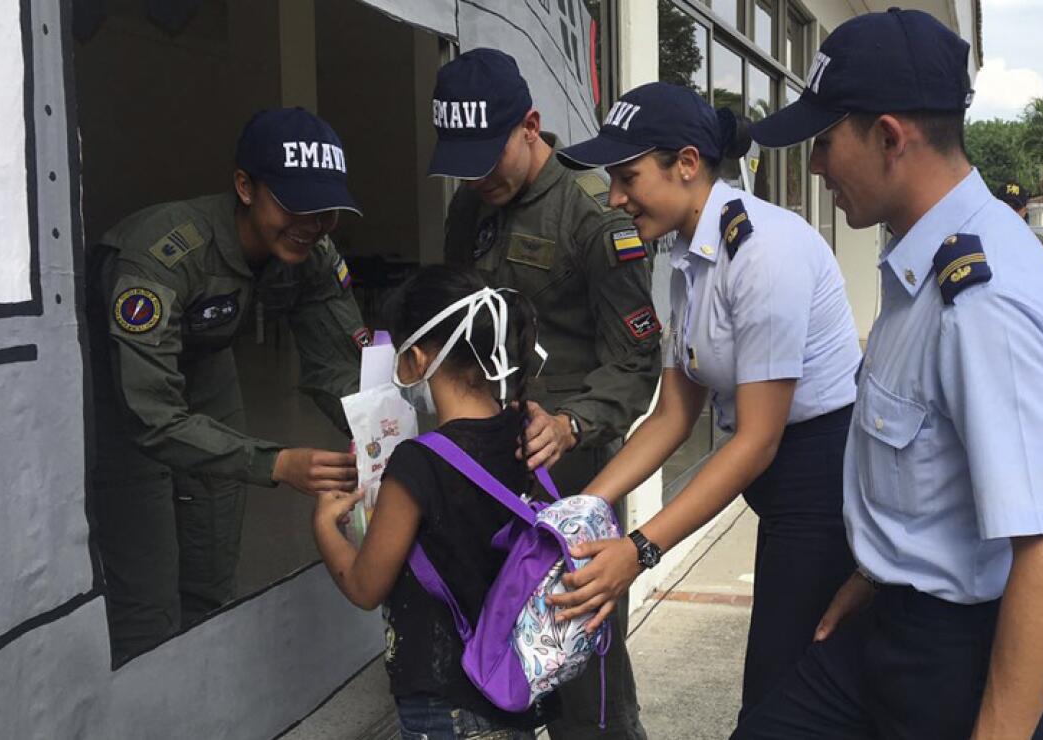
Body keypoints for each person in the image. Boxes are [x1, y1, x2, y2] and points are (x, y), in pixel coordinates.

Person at [733, 9, 1043, 738]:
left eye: (825, 141)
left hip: (970, 656)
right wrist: (873, 578)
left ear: (890, 138)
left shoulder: (983, 301)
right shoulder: (918, 267)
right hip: (893, 621)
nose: (814, 168)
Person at [545, 81, 863, 720]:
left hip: (822, 486)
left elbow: (757, 439)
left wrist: (639, 552)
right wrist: (580, 509)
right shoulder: (691, 259)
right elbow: (672, 415)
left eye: (628, 176)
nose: (614, 198)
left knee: (779, 703)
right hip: (780, 493)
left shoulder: (763, 253)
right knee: (782, 689)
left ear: (687, 164)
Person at [428, 48, 659, 739]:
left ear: (530, 126)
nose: (474, 175)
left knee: (579, 643)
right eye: (461, 158)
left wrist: (570, 423)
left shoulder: (594, 215)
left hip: (574, 466)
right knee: (494, 626)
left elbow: (637, 358)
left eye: (485, 154)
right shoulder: (470, 205)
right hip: (490, 456)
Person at [86, 107, 365, 665]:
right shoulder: (162, 255)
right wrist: (277, 463)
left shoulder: (311, 249)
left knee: (212, 560)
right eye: (294, 203)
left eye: (326, 209)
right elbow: (153, 416)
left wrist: (383, 435)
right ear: (244, 186)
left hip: (207, 362)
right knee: (147, 592)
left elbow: (340, 369)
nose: (312, 222)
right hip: (123, 388)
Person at [312, 268, 554, 739]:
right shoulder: (529, 432)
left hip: (447, 705)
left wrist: (325, 527)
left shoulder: (418, 462)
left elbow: (365, 586)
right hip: (510, 681)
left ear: (417, 358)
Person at [997, 181, 1043, 258]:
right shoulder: (983, 243)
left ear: (1024, 211)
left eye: (1015, 207)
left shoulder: (1042, 245)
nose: (1010, 211)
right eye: (1005, 206)